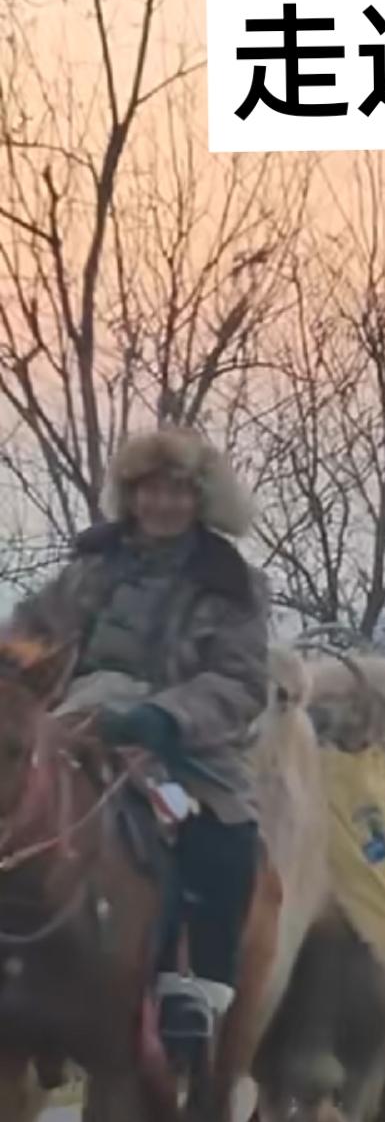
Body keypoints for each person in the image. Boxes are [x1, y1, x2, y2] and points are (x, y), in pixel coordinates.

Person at [6, 428, 269, 1060]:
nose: (162, 504)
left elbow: (241, 683)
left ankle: (194, 990)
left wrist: (163, 715)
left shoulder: (231, 584)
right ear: (130, 496)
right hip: (75, 724)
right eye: (149, 490)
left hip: (181, 747)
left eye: (177, 490)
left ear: (200, 498)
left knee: (223, 842)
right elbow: (27, 638)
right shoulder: (90, 569)